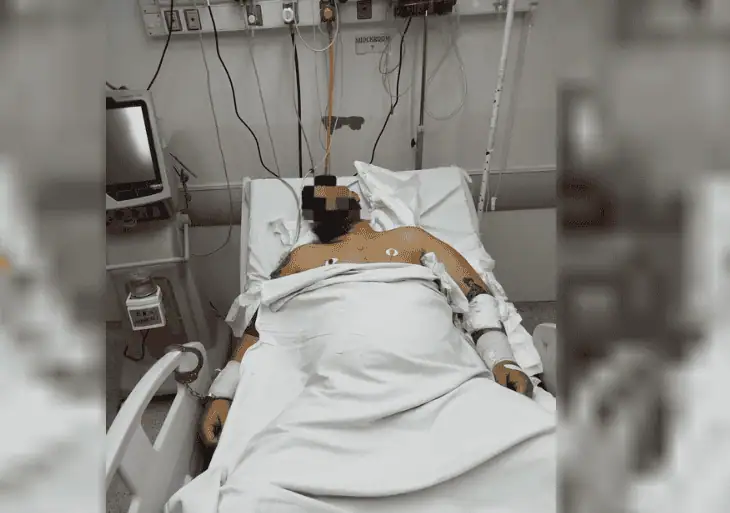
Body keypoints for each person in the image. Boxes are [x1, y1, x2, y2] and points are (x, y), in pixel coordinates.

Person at [201, 175, 534, 446]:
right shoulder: (302, 258)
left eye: (332, 191)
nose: (323, 197)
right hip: (332, 385)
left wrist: (501, 359)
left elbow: (476, 295)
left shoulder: (410, 239)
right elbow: (262, 326)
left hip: (434, 372)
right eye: (315, 200)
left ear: (356, 202)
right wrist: (222, 393)